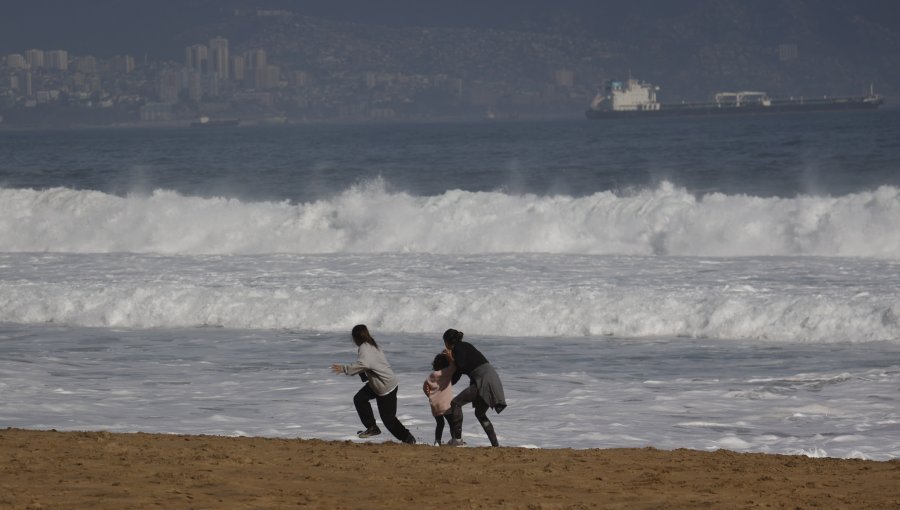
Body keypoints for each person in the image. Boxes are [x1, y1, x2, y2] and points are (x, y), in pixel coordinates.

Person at [330, 324, 416, 444]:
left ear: (355, 338)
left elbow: (364, 364)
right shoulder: (371, 344)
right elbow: (369, 363)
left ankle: (408, 438)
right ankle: (372, 427)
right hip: (378, 384)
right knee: (359, 399)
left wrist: (344, 369)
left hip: (385, 386)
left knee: (388, 420)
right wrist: (363, 375)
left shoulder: (364, 347)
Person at [442, 328, 506, 447]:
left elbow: (460, 365)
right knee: (480, 413)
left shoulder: (458, 348)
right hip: (491, 377)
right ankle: (495, 445)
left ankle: (458, 440)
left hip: (483, 380)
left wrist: (450, 359)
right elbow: (459, 372)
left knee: (456, 403)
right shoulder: (464, 346)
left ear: (447, 342)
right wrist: (445, 385)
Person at [422, 352, 456, 445]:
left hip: (435, 404)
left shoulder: (431, 375)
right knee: (452, 423)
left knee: (440, 424)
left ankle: (437, 441)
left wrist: (429, 396)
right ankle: (454, 439)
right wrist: (450, 357)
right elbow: (454, 366)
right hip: (446, 404)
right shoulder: (447, 372)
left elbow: (425, 387)